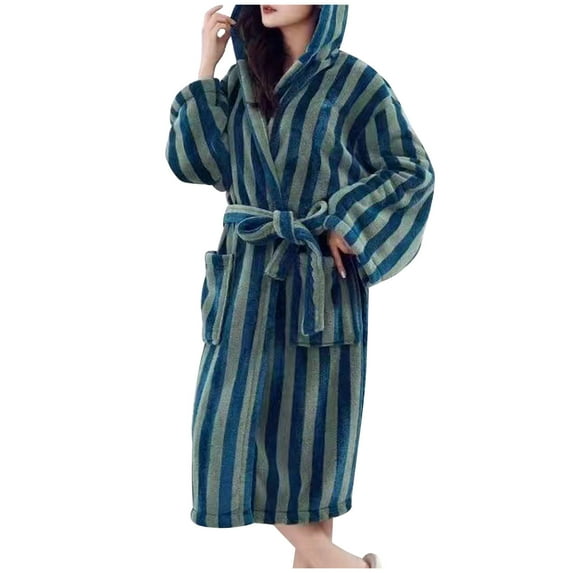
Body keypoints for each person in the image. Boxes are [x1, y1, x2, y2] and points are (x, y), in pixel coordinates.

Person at [165, 3, 435, 568]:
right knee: (224, 430)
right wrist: (206, 69)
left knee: (308, 451)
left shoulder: (356, 83)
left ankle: (325, 561)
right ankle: (344, 564)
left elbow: (411, 170)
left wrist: (347, 221)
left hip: (319, 287)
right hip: (244, 280)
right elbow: (199, 164)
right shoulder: (243, 81)